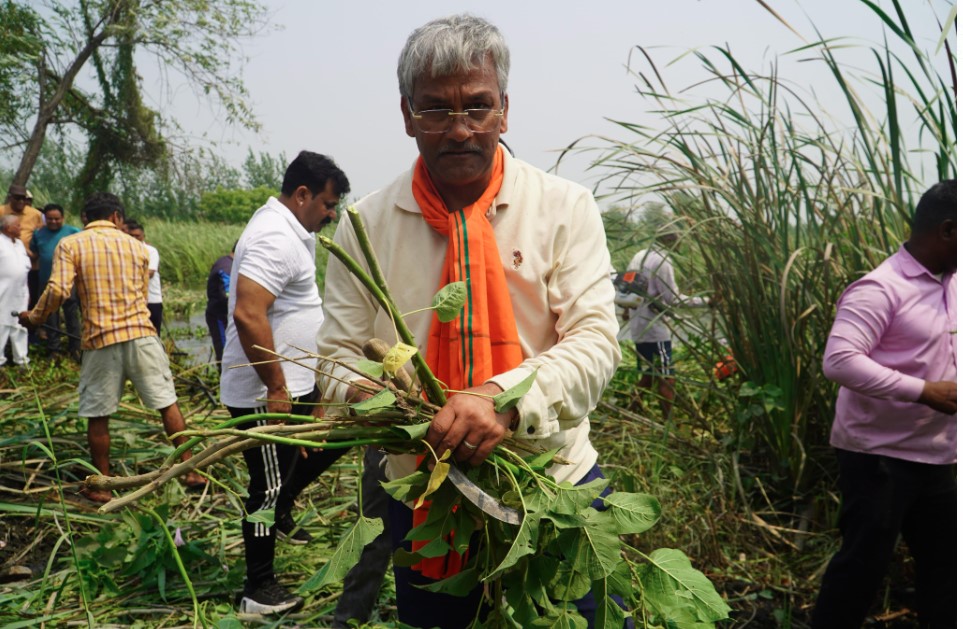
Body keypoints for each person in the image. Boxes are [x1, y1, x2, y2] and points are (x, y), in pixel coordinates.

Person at [315, 15, 622, 628]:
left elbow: (595, 343)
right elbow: (331, 357)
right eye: (435, 110)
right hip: (423, 493)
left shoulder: (563, 208)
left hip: (553, 482)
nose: (459, 130)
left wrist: (501, 401)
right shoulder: (363, 227)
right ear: (406, 115)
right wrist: (382, 400)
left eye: (477, 107)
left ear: (504, 111)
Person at [810, 180, 956, 629]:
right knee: (863, 568)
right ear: (948, 231)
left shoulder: (954, 283)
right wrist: (924, 390)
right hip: (880, 458)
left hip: (942, 455)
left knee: (948, 573)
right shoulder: (880, 288)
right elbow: (839, 361)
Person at [220, 151, 352, 615]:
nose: (332, 214)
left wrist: (311, 391)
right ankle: (258, 589)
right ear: (302, 194)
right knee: (267, 486)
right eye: (328, 204)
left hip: (292, 384)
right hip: (263, 393)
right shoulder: (276, 236)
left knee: (328, 439)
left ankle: (282, 509)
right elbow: (248, 313)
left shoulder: (293, 230)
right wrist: (276, 388)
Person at [19, 192, 207, 502]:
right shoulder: (138, 247)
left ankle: (101, 487)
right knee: (167, 404)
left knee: (98, 414)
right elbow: (141, 291)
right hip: (142, 335)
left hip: (101, 339)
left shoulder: (72, 243)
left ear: (84, 219)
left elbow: (57, 289)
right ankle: (190, 470)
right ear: (117, 217)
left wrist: (35, 317)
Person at [614, 207, 710, 420]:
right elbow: (673, 300)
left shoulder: (640, 255)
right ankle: (669, 425)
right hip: (656, 330)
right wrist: (708, 301)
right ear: (672, 239)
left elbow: (628, 289)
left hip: (639, 328)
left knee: (648, 375)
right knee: (667, 377)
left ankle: (630, 413)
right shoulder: (663, 261)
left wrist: (628, 313)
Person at [30, 204, 82, 358]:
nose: (53, 221)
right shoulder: (38, 234)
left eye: (57, 219)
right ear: (45, 218)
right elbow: (35, 254)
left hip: (69, 282)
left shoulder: (73, 232)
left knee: (71, 314)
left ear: (63, 218)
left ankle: (75, 348)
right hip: (47, 281)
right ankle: (54, 348)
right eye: (50, 219)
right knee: (50, 316)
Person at [0, 184, 44, 313]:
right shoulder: (2, 211)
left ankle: (31, 328)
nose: (21, 201)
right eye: (17, 198)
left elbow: (41, 234)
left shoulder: (35, 214)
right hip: (5, 262)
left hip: (29, 261)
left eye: (23, 198)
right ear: (10, 198)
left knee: (30, 295)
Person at [0, 215, 31, 367]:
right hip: (2, 292)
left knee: (20, 326)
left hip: (20, 292)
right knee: (1, 325)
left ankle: (22, 361)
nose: (21, 228)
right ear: (8, 228)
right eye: (18, 226)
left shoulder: (19, 243)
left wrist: (27, 293)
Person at [125, 220, 164, 335]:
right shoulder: (125, 251)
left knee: (154, 334)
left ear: (143, 236)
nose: (135, 238)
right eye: (131, 236)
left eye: (137, 236)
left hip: (152, 299)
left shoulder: (151, 251)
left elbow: (150, 273)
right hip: (133, 300)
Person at [205, 244, 235, 369]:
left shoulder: (228, 263)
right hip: (219, 316)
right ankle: (224, 381)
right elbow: (227, 295)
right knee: (224, 352)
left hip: (226, 315)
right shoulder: (226, 267)